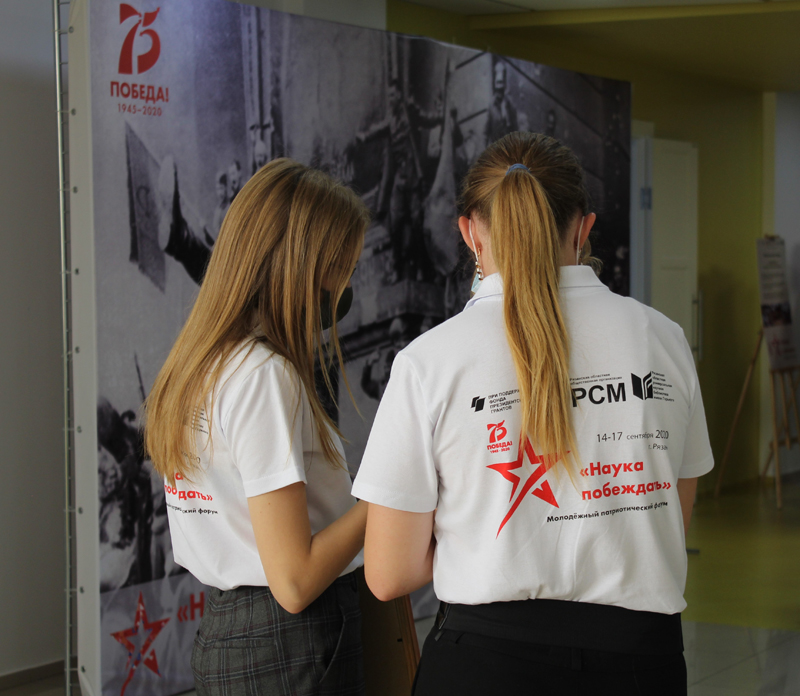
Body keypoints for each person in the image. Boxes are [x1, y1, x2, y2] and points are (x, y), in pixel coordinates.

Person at [352, 132, 713, 696]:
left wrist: (482, 535)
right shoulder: (663, 340)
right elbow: (669, 516)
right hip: (640, 664)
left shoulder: (427, 361)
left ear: (470, 232)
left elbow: (389, 573)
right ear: (584, 228)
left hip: (482, 667)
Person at [144, 158, 370, 696]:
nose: (344, 290)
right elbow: (294, 581)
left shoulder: (199, 365)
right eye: (340, 268)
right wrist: (387, 498)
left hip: (228, 633)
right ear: (301, 266)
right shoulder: (263, 375)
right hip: (292, 644)